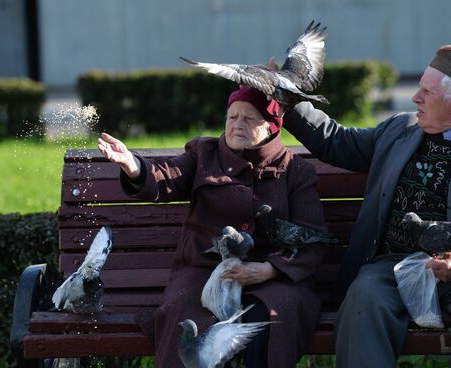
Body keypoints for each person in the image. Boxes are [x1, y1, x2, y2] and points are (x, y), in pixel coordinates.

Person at [274, 45, 451, 367]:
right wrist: (284, 94)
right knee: (363, 300)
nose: (416, 97)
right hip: (391, 266)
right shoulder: (399, 129)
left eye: (427, 91)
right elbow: (337, 142)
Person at [97, 86, 327, 368]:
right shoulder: (203, 154)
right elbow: (167, 177)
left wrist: (270, 269)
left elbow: (312, 241)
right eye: (232, 117)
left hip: (274, 278)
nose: (237, 125)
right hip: (203, 275)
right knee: (187, 320)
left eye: (249, 118)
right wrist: (133, 166)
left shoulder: (295, 171)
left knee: (271, 320)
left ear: (271, 125)